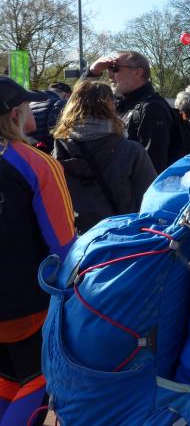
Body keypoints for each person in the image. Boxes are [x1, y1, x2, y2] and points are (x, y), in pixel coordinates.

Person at [0, 77, 75, 426]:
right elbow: (63, 245)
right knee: (39, 379)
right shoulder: (36, 163)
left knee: (5, 378)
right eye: (28, 105)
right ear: (15, 114)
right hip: (26, 302)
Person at [51, 80, 156, 234]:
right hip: (124, 237)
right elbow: (151, 201)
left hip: (77, 241)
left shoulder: (58, 151)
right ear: (111, 107)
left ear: (71, 106)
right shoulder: (131, 151)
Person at [86, 51, 173, 173]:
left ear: (137, 72)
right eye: (108, 68)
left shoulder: (152, 108)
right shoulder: (118, 102)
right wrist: (92, 72)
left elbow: (152, 167)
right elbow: (76, 107)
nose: (110, 75)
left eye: (115, 68)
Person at [29, 82, 72, 153]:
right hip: (48, 150)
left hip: (31, 148)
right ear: (67, 95)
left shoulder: (31, 103)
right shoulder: (61, 103)